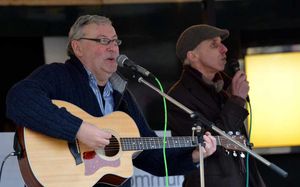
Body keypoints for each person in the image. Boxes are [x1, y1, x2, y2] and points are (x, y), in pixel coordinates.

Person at [6, 15, 217, 187]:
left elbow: (152, 156)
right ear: (77, 47)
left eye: (115, 41)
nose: (113, 48)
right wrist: (79, 129)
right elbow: (19, 99)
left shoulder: (121, 94)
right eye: (103, 41)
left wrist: (195, 155)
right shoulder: (58, 75)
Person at [167, 24, 266, 187]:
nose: (224, 49)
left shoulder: (224, 87)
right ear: (192, 56)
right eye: (214, 45)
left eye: (222, 43)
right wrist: (236, 101)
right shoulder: (179, 96)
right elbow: (211, 143)